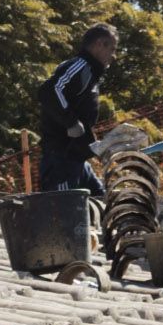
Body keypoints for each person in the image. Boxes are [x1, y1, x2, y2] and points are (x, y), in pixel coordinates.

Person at [37, 23, 120, 197]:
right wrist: (71, 122)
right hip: (60, 161)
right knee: (63, 210)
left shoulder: (91, 73)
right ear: (99, 44)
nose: (114, 56)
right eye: (112, 49)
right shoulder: (80, 66)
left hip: (77, 161)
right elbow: (49, 90)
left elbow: (82, 116)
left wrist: (93, 145)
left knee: (103, 202)